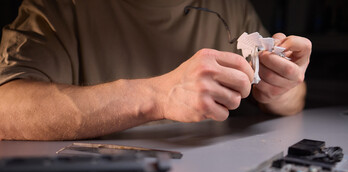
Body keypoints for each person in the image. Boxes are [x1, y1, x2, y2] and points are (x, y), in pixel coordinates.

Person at [0, 0, 311, 141]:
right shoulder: (57, 8)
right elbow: (6, 109)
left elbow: (292, 99)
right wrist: (159, 97)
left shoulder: (230, 6)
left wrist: (281, 88)